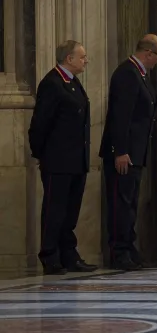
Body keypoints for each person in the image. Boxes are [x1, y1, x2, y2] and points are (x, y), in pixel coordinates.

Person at [28, 40, 98, 274]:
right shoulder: (52, 83)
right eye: (82, 57)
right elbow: (40, 124)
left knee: (70, 213)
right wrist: (40, 154)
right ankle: (50, 255)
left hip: (75, 160)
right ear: (69, 59)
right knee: (54, 210)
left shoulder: (72, 82)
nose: (86, 61)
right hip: (57, 160)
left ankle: (69, 254)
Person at [100, 34, 157, 271]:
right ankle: (118, 252)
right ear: (148, 53)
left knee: (129, 203)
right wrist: (120, 150)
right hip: (124, 154)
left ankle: (128, 247)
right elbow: (120, 115)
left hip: (135, 153)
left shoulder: (140, 75)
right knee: (120, 202)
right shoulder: (127, 73)